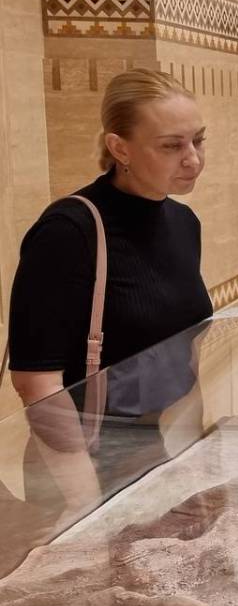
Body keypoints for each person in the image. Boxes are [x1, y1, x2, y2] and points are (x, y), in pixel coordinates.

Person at [6, 68, 212, 505]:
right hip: (82, 465)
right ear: (120, 148)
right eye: (172, 145)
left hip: (158, 452)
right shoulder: (69, 231)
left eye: (198, 140)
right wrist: (86, 506)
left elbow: (183, 352)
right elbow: (37, 382)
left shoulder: (183, 223)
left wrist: (192, 461)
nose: (192, 159)